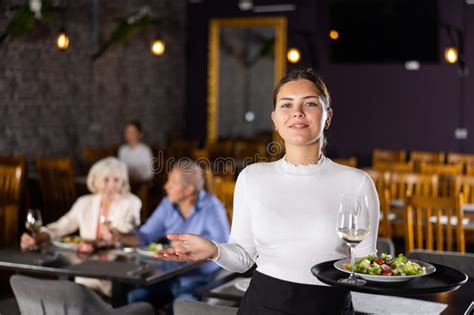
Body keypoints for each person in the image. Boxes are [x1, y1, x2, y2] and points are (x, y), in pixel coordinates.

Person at [154, 68, 380, 314]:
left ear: (328, 116)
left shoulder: (357, 183)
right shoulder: (252, 177)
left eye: (310, 103)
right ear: (275, 118)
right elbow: (243, 257)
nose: (297, 112)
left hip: (328, 306)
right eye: (286, 105)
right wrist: (214, 250)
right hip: (262, 305)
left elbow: (366, 264)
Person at [112, 159, 230, 308]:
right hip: (169, 276)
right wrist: (120, 236)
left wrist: (186, 246)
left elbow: (221, 247)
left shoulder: (212, 206)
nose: (166, 186)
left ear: (189, 190)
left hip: (201, 281)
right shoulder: (168, 204)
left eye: (172, 182)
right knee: (135, 298)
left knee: (180, 306)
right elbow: (145, 235)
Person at [21, 157, 142, 295]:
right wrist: (37, 238)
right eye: (106, 180)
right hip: (85, 267)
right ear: (94, 182)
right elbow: (63, 225)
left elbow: (122, 233)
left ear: (123, 182)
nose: (111, 186)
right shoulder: (84, 202)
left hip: (117, 269)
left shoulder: (131, 202)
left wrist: (96, 243)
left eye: (116, 180)